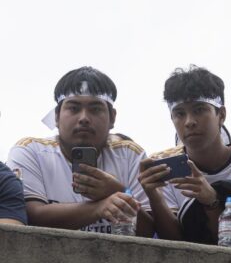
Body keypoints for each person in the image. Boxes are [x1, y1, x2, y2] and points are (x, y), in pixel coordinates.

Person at [138, 66, 231, 245]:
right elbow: (173, 242)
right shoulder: (163, 166)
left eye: (199, 110)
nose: (189, 122)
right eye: (179, 113)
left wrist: (212, 201)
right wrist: (153, 194)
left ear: (221, 115)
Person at [6, 67, 144, 233]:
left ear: (112, 117)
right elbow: (31, 216)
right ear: (56, 116)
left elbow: (149, 230)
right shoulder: (30, 151)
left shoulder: (130, 155)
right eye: (74, 108)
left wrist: (120, 191)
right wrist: (99, 207)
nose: (84, 118)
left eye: (95, 109)